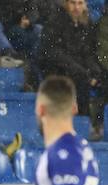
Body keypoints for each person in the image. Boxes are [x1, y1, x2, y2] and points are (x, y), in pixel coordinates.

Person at [39, 0, 106, 141]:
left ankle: (96, 124)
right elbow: (54, 53)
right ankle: (81, 125)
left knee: (102, 77)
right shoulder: (56, 21)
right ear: (66, 4)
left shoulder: (87, 24)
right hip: (56, 69)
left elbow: (88, 54)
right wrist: (82, 71)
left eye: (80, 3)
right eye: (73, 3)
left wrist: (95, 71)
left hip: (77, 69)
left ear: (85, 5)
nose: (76, 7)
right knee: (80, 79)